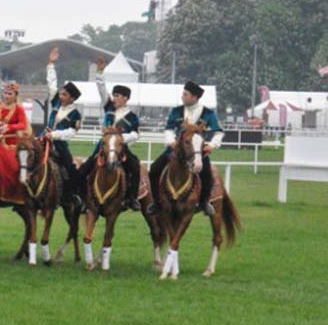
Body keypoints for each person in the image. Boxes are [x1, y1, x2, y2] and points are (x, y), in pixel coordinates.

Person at [74, 57, 141, 210]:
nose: (114, 98)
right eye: (114, 95)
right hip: (102, 146)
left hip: (121, 148)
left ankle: (132, 199)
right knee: (83, 170)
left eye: (117, 96)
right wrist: (99, 73)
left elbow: (136, 134)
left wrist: (121, 139)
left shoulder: (132, 117)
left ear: (125, 98)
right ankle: (82, 199)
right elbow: (101, 88)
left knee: (135, 168)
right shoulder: (108, 107)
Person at [149, 80, 223, 216]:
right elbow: (169, 129)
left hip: (198, 152)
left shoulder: (208, 114)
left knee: (207, 174)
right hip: (175, 151)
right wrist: (171, 141)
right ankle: (157, 203)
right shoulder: (176, 111)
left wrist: (212, 145)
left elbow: (219, 132)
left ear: (194, 97)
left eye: (185, 94)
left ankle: (204, 203)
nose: (182, 97)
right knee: (154, 169)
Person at [40, 47, 83, 210]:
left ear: (72, 98)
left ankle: (70, 196)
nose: (61, 96)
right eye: (61, 93)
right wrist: (51, 65)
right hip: (44, 138)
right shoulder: (56, 103)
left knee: (70, 169)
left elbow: (71, 132)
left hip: (60, 145)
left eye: (65, 95)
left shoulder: (76, 114)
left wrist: (55, 135)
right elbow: (52, 86)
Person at [0, 81, 29, 193]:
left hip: (11, 141)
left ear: (15, 96)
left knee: (11, 164)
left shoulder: (18, 109)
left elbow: (23, 124)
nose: (7, 96)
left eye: (10, 94)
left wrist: (9, 127)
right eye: (5, 93)